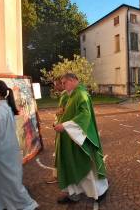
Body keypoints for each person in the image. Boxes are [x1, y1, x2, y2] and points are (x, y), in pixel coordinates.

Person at [0, 80, 38, 210]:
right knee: (5, 183)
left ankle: (27, 205)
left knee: (10, 184)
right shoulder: (3, 108)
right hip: (7, 152)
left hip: (2, 155)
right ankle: (0, 204)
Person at [53, 73, 108, 204]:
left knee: (86, 166)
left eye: (64, 83)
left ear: (72, 80)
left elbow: (85, 115)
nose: (63, 86)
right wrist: (57, 122)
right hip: (68, 138)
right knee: (70, 165)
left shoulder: (81, 94)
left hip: (79, 138)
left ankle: (99, 191)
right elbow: (63, 112)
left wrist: (65, 126)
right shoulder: (70, 95)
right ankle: (73, 193)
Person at [47, 77, 69, 184]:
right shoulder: (65, 95)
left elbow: (63, 112)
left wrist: (57, 122)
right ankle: (59, 174)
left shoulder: (65, 96)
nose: (55, 87)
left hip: (63, 128)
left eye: (56, 84)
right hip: (62, 126)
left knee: (60, 152)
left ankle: (58, 175)